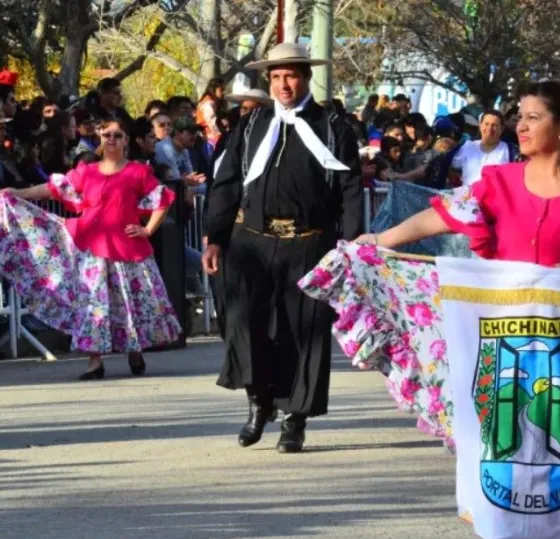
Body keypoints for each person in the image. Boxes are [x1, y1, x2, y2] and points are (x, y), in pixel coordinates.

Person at [304, 79, 560, 539]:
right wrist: (380, 242)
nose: (522, 125)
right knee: (504, 482)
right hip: (503, 349)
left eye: (534, 117)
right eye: (520, 116)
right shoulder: (500, 182)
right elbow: (441, 216)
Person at [202, 42, 363, 453]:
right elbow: (226, 184)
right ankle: (258, 402)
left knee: (302, 330)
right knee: (245, 323)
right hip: (250, 243)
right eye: (275, 77)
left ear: (306, 77)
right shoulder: (252, 125)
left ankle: (295, 417)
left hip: (309, 243)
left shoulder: (333, 128)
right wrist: (215, 236)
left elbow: (349, 190)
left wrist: (351, 245)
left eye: (290, 75)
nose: (283, 84)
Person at [0, 118, 182, 379]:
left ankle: (134, 350)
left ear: (126, 141)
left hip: (128, 249)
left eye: (117, 135)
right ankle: (94, 362)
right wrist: (18, 192)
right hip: (91, 248)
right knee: (93, 304)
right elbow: (52, 189)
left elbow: (162, 200)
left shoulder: (138, 171)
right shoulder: (87, 171)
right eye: (106, 134)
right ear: (100, 138)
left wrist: (148, 230)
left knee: (129, 302)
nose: (111, 139)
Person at [451, 110, 515, 187]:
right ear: (480, 126)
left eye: (494, 125)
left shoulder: (510, 151)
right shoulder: (468, 146)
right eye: (486, 124)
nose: (490, 128)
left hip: (494, 198)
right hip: (466, 197)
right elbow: (451, 166)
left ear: (502, 129)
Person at [197, 78, 226, 146]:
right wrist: (219, 138)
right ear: (213, 89)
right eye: (221, 90)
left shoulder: (210, 101)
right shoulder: (208, 103)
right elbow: (211, 122)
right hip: (209, 138)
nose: (224, 92)